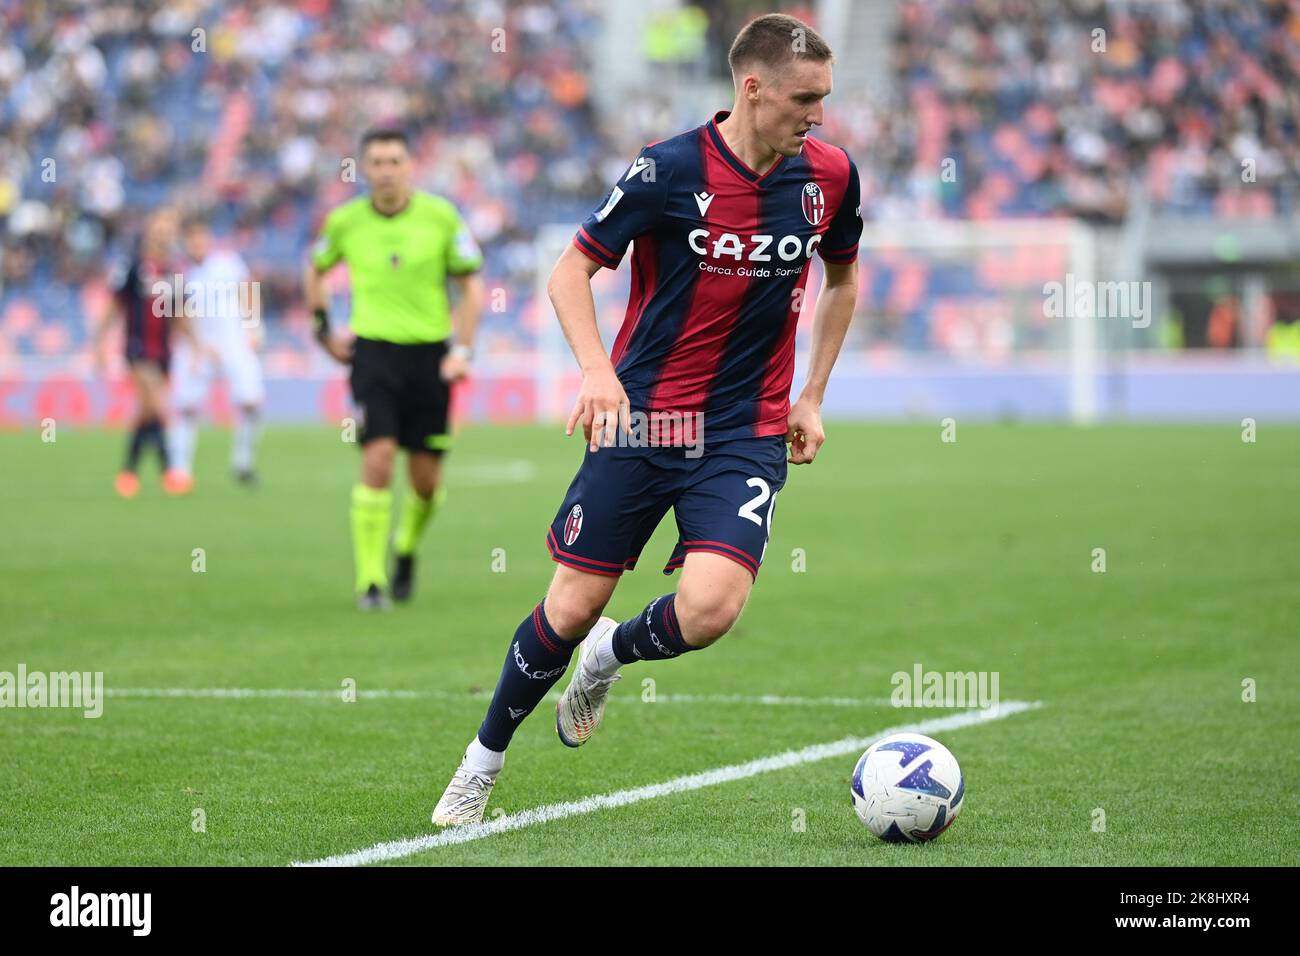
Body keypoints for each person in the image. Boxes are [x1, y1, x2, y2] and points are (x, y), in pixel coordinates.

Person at [431, 13, 863, 825]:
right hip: (647, 420)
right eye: (806, 97)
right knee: (569, 608)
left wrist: (812, 395)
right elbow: (570, 273)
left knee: (710, 610)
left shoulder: (831, 177)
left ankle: (612, 656)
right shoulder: (667, 170)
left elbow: (842, 279)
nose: (818, 114)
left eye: (826, 98)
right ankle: (480, 764)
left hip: (745, 429)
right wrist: (596, 371)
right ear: (753, 86)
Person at [305, 128, 485, 610]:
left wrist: (462, 351)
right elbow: (316, 267)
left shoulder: (441, 217)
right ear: (364, 168)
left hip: (430, 358)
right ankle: (370, 580)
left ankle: (406, 548)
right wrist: (323, 329)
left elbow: (470, 287)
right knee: (378, 459)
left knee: (426, 482)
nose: (386, 171)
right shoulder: (345, 222)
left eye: (394, 161)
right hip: (373, 356)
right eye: (377, 162)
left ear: (410, 167)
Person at [92, 206, 197, 497]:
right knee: (159, 406)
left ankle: (128, 472)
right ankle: (171, 471)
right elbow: (114, 307)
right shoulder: (133, 267)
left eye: (169, 228)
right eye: (160, 227)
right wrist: (99, 343)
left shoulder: (174, 272)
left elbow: (180, 315)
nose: (165, 233)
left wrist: (197, 345)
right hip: (137, 348)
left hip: (164, 350)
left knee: (148, 410)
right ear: (150, 232)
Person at [167, 214, 264, 487]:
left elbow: (248, 291)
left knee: (250, 401)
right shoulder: (178, 272)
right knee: (186, 407)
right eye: (192, 239)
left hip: (233, 341)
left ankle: (242, 462)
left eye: (202, 237)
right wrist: (198, 346)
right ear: (185, 243)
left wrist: (253, 327)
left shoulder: (228, 263)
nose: (197, 243)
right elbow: (177, 314)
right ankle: (179, 468)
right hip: (197, 346)